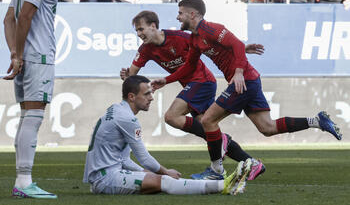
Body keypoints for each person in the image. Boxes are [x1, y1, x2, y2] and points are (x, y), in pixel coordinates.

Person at [151, 0, 342, 179]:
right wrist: (166, 80)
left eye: (181, 13)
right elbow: (189, 66)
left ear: (193, 14)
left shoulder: (211, 29)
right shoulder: (194, 39)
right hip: (249, 81)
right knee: (267, 127)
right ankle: (317, 121)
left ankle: (216, 170)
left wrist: (239, 71)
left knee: (208, 120)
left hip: (244, 81)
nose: (178, 17)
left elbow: (235, 45)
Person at [120, 10, 265, 180]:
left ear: (153, 26)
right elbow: (132, 74)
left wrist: (243, 48)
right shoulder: (145, 50)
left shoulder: (179, 37)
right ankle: (251, 162)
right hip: (193, 86)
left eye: (141, 29)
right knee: (209, 131)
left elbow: (210, 45)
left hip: (202, 81)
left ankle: (221, 143)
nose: (139, 34)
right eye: (137, 31)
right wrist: (127, 75)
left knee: (171, 117)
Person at [83, 75, 254, 195]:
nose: (151, 98)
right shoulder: (127, 119)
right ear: (131, 97)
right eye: (147, 94)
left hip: (106, 175)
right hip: (107, 179)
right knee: (166, 182)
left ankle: (221, 184)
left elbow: (123, 159)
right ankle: (223, 186)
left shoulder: (116, 110)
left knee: (158, 180)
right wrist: (165, 172)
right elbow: (143, 157)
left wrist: (146, 173)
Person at [3, 0, 58, 199]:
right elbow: (24, 16)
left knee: (27, 116)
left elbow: (8, 19)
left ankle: (22, 181)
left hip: (26, 57)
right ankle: (24, 182)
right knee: (33, 117)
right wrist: (20, 55)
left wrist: (15, 53)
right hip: (39, 57)